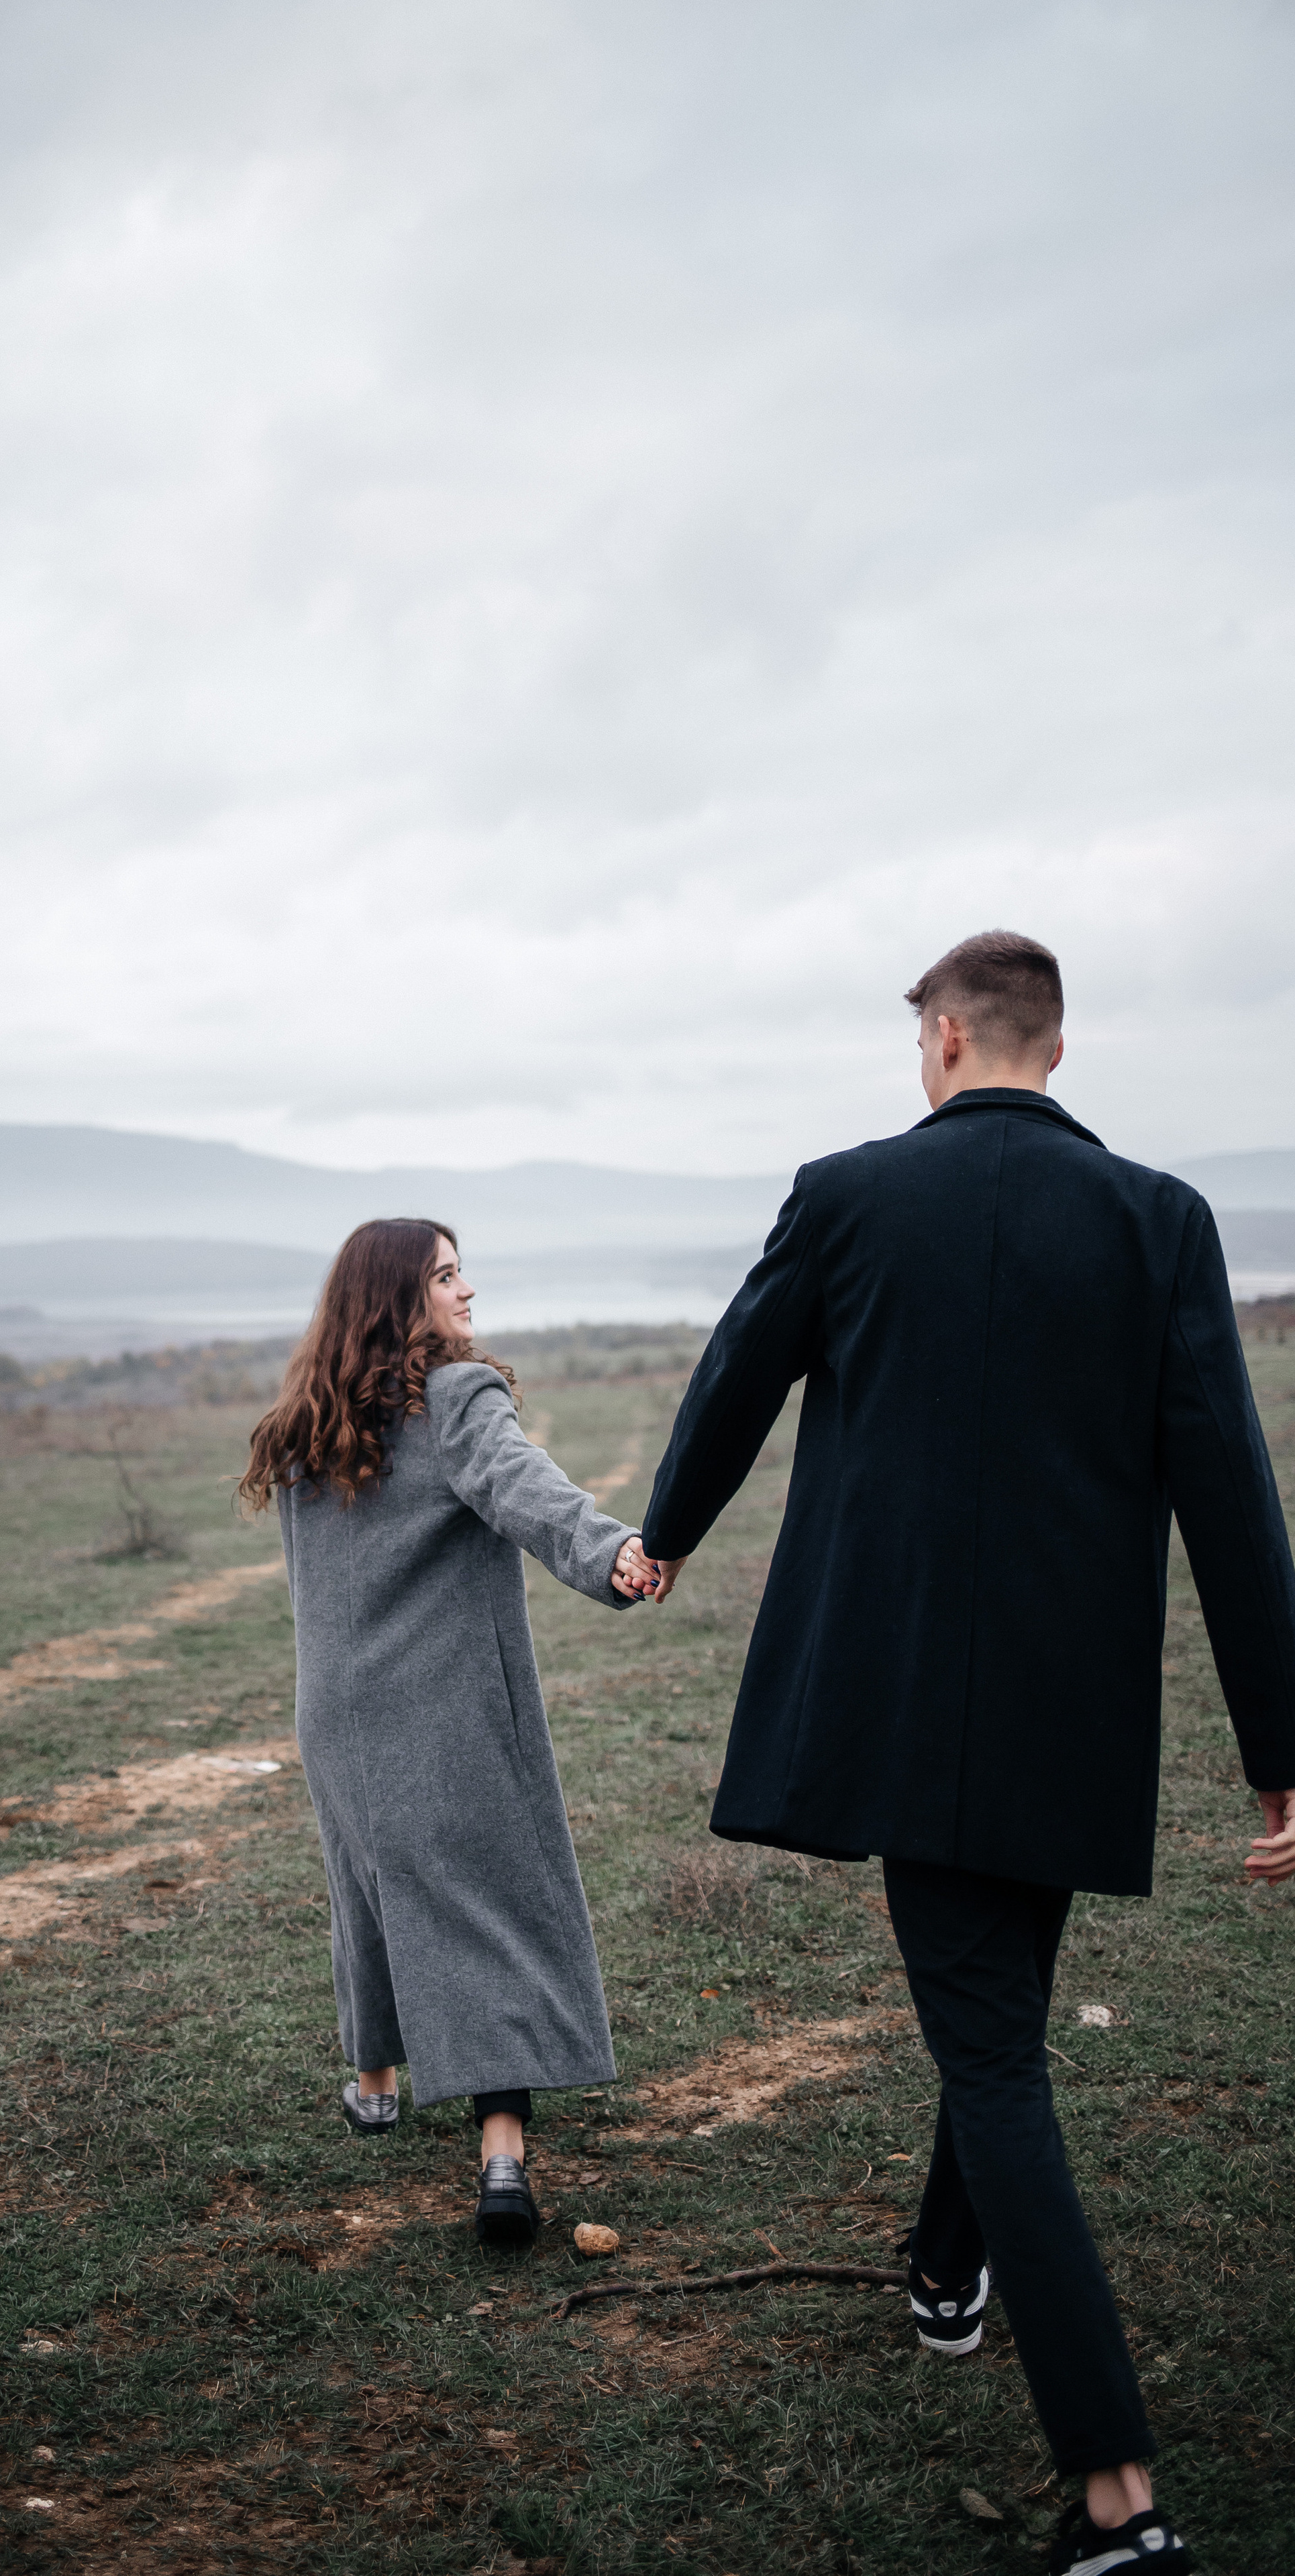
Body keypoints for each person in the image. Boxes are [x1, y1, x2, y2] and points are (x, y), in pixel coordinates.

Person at [633, 930, 1295, 2576]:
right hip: (1073, 1720)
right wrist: (1278, 1746)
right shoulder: (1159, 1218)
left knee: (992, 2059)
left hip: (904, 1709)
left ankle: (1118, 2501)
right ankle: (944, 2269)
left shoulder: (845, 1196)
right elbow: (1229, 1490)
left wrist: (664, 1535)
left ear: (940, 1039)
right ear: (1049, 1050)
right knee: (993, 2006)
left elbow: (734, 1380)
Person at [240, 1217, 654, 2247]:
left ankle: (375, 2087)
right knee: (487, 1905)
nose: (467, 1292)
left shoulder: (306, 1423)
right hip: (446, 1710)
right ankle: (502, 2157)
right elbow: (523, 1485)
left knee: (373, 1887)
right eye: (447, 1277)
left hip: (337, 1713)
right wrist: (611, 1552)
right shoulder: (460, 1399)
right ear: (401, 1299)